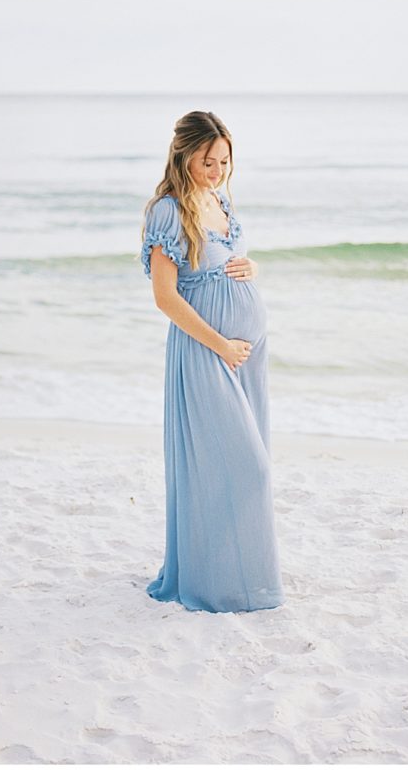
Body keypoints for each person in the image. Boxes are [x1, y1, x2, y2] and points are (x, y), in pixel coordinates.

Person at [139, 110, 285, 613]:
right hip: (206, 350)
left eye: (224, 160)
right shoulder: (168, 211)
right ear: (185, 154)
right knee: (239, 468)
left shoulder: (219, 198)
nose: (218, 169)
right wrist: (221, 345)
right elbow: (165, 297)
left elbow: (225, 258)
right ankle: (218, 583)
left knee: (246, 460)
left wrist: (251, 265)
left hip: (246, 353)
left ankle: (242, 580)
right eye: (208, 161)